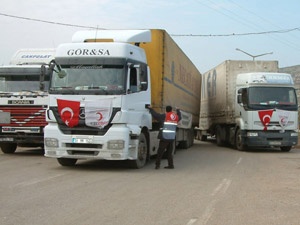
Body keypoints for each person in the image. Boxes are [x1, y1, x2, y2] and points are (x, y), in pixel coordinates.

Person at [147, 105, 181, 169]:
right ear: (171, 110)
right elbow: (180, 117)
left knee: (160, 152)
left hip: (165, 137)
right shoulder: (176, 117)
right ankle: (171, 165)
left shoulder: (165, 116)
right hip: (171, 137)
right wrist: (178, 110)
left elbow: (156, 115)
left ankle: (157, 165)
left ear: (166, 110)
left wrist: (151, 109)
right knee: (169, 152)